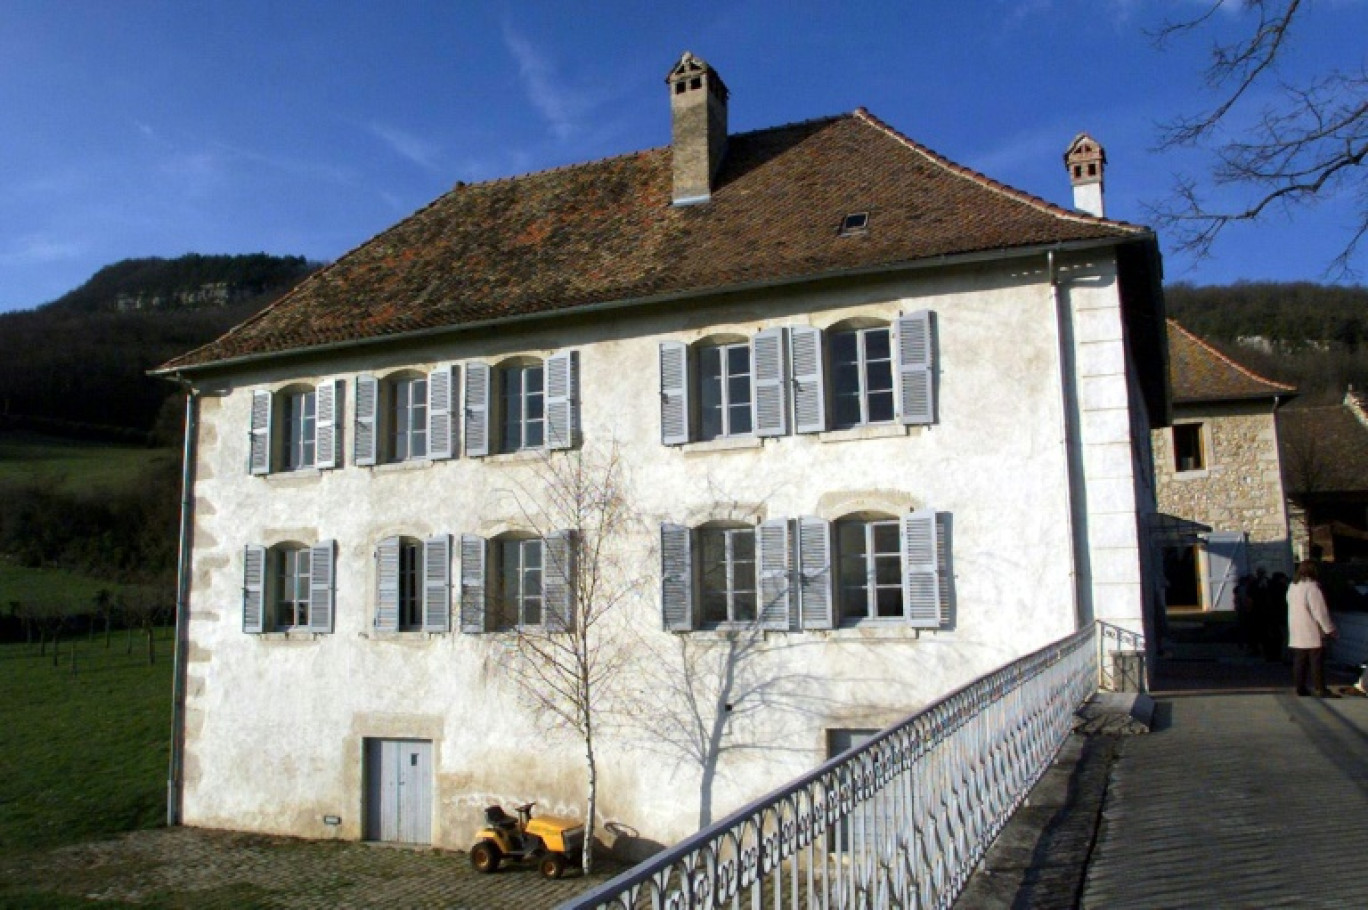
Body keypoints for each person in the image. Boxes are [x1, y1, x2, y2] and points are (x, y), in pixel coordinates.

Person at [1286, 560, 1339, 697]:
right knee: (1316, 662)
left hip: (1296, 629)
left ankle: (1300, 687)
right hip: (1311, 629)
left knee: (1299, 661)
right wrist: (1329, 629)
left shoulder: (1293, 586)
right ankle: (1320, 688)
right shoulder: (1312, 588)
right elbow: (1320, 611)